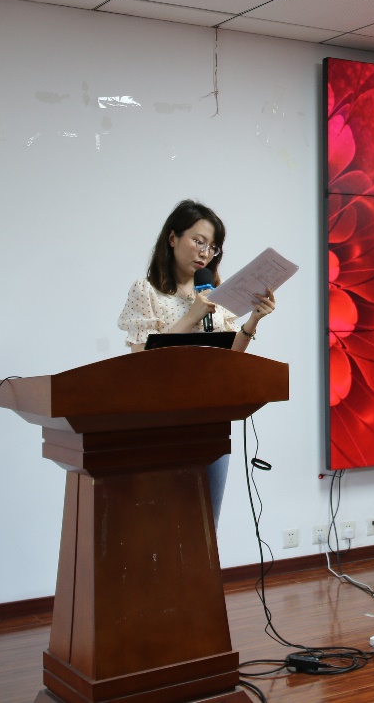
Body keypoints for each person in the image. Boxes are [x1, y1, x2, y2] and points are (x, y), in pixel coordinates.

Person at [117, 199, 276, 521]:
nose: (205, 252)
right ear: (172, 238)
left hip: (211, 418)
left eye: (213, 247)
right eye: (198, 241)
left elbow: (231, 360)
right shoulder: (146, 291)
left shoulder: (218, 294)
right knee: (165, 523)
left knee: (206, 523)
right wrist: (192, 315)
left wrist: (252, 321)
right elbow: (141, 362)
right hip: (162, 422)